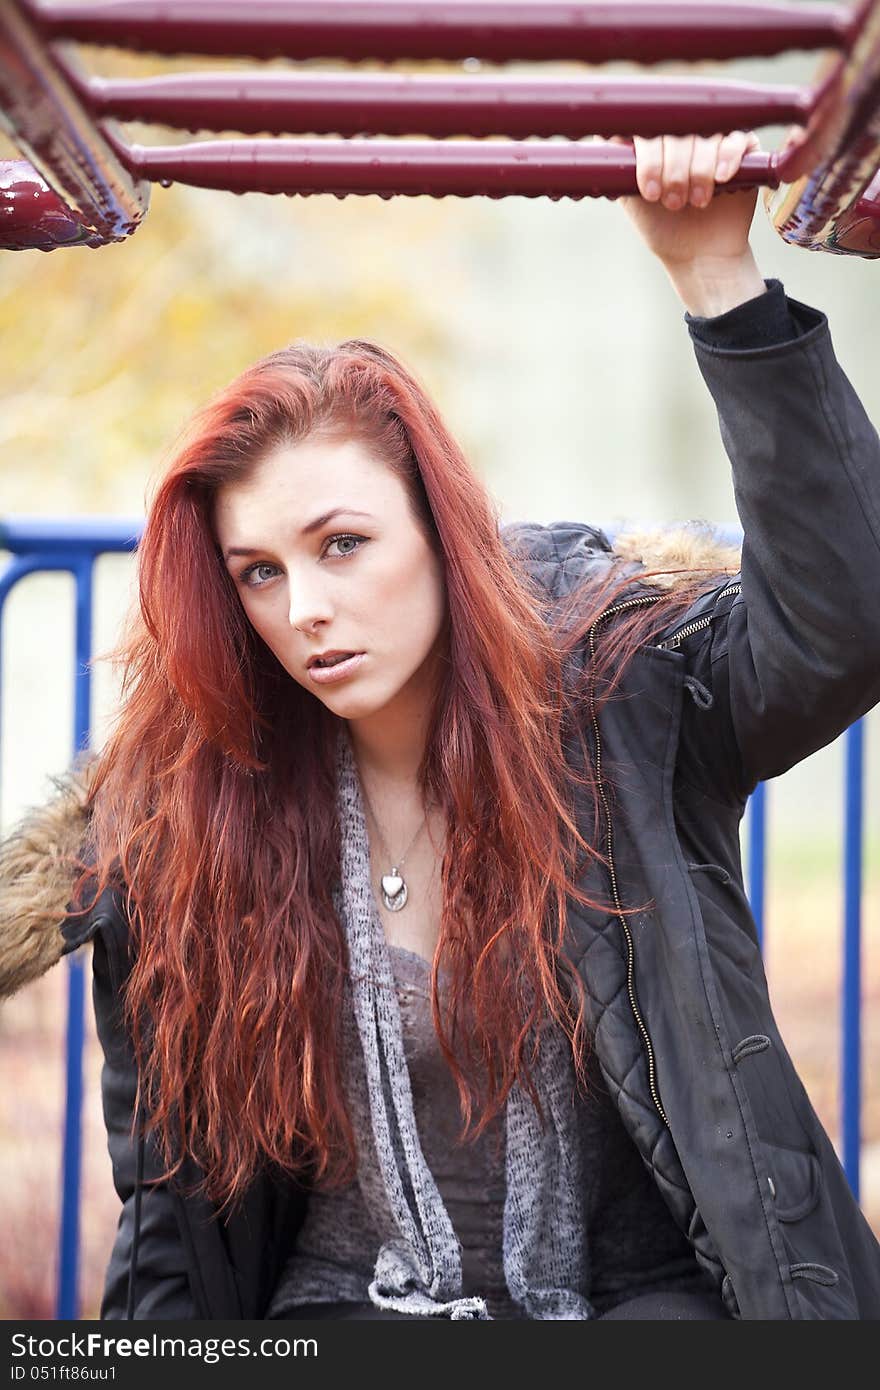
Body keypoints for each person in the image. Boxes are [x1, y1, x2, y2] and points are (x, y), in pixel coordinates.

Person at [2, 130, 880, 1321]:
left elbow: (846, 624)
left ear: (442, 535)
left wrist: (717, 283)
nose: (305, 610)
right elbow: (172, 1210)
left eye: (342, 544)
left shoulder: (628, 698)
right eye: (257, 572)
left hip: (636, 1305)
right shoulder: (186, 816)